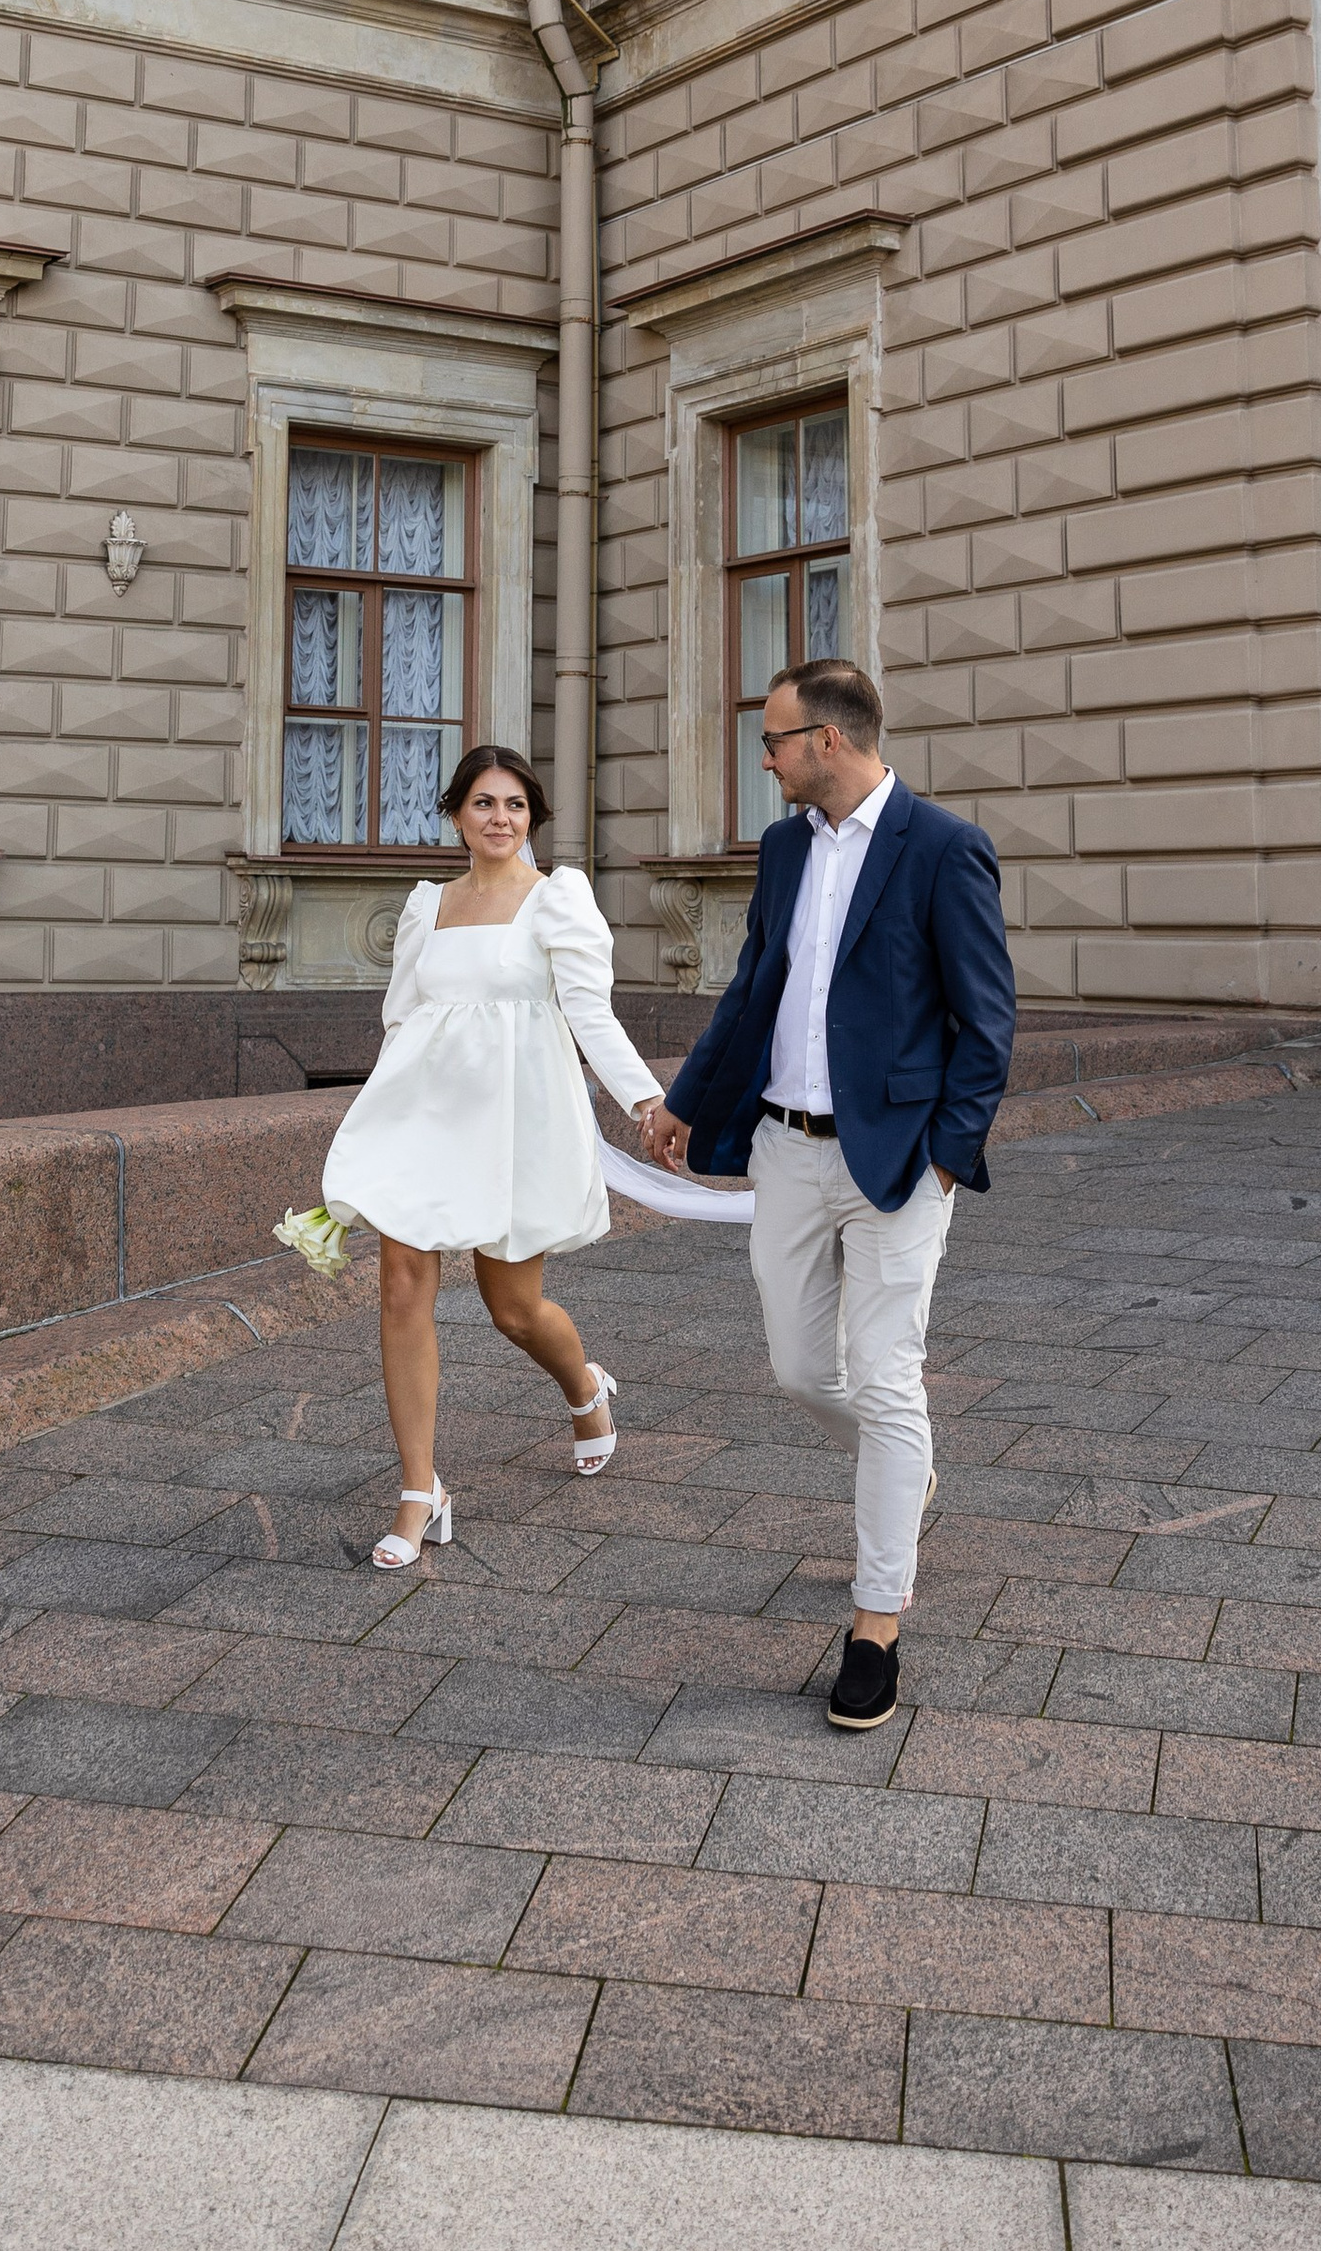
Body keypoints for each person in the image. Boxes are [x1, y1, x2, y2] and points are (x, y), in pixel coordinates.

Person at [638, 659, 1014, 1731]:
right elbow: (754, 988)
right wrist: (684, 1102)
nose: (765, 758)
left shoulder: (942, 850)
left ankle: (874, 1622)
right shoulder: (783, 850)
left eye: (775, 740)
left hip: (896, 1160)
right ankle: (908, 1470)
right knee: (803, 1369)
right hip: (785, 1153)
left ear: (831, 742)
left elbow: (987, 1025)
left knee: (888, 1381)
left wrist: (946, 1156)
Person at [318, 743, 673, 1568]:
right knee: (404, 1284)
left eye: (515, 805)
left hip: (515, 1125)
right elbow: (404, 1019)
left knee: (512, 1308)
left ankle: (585, 1384)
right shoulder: (425, 907)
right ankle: (419, 1493)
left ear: (532, 818)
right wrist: (379, 1122)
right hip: (426, 1119)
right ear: (456, 815)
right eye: (483, 803)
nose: (500, 819)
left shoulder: (559, 901)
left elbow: (592, 1016)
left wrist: (648, 1101)